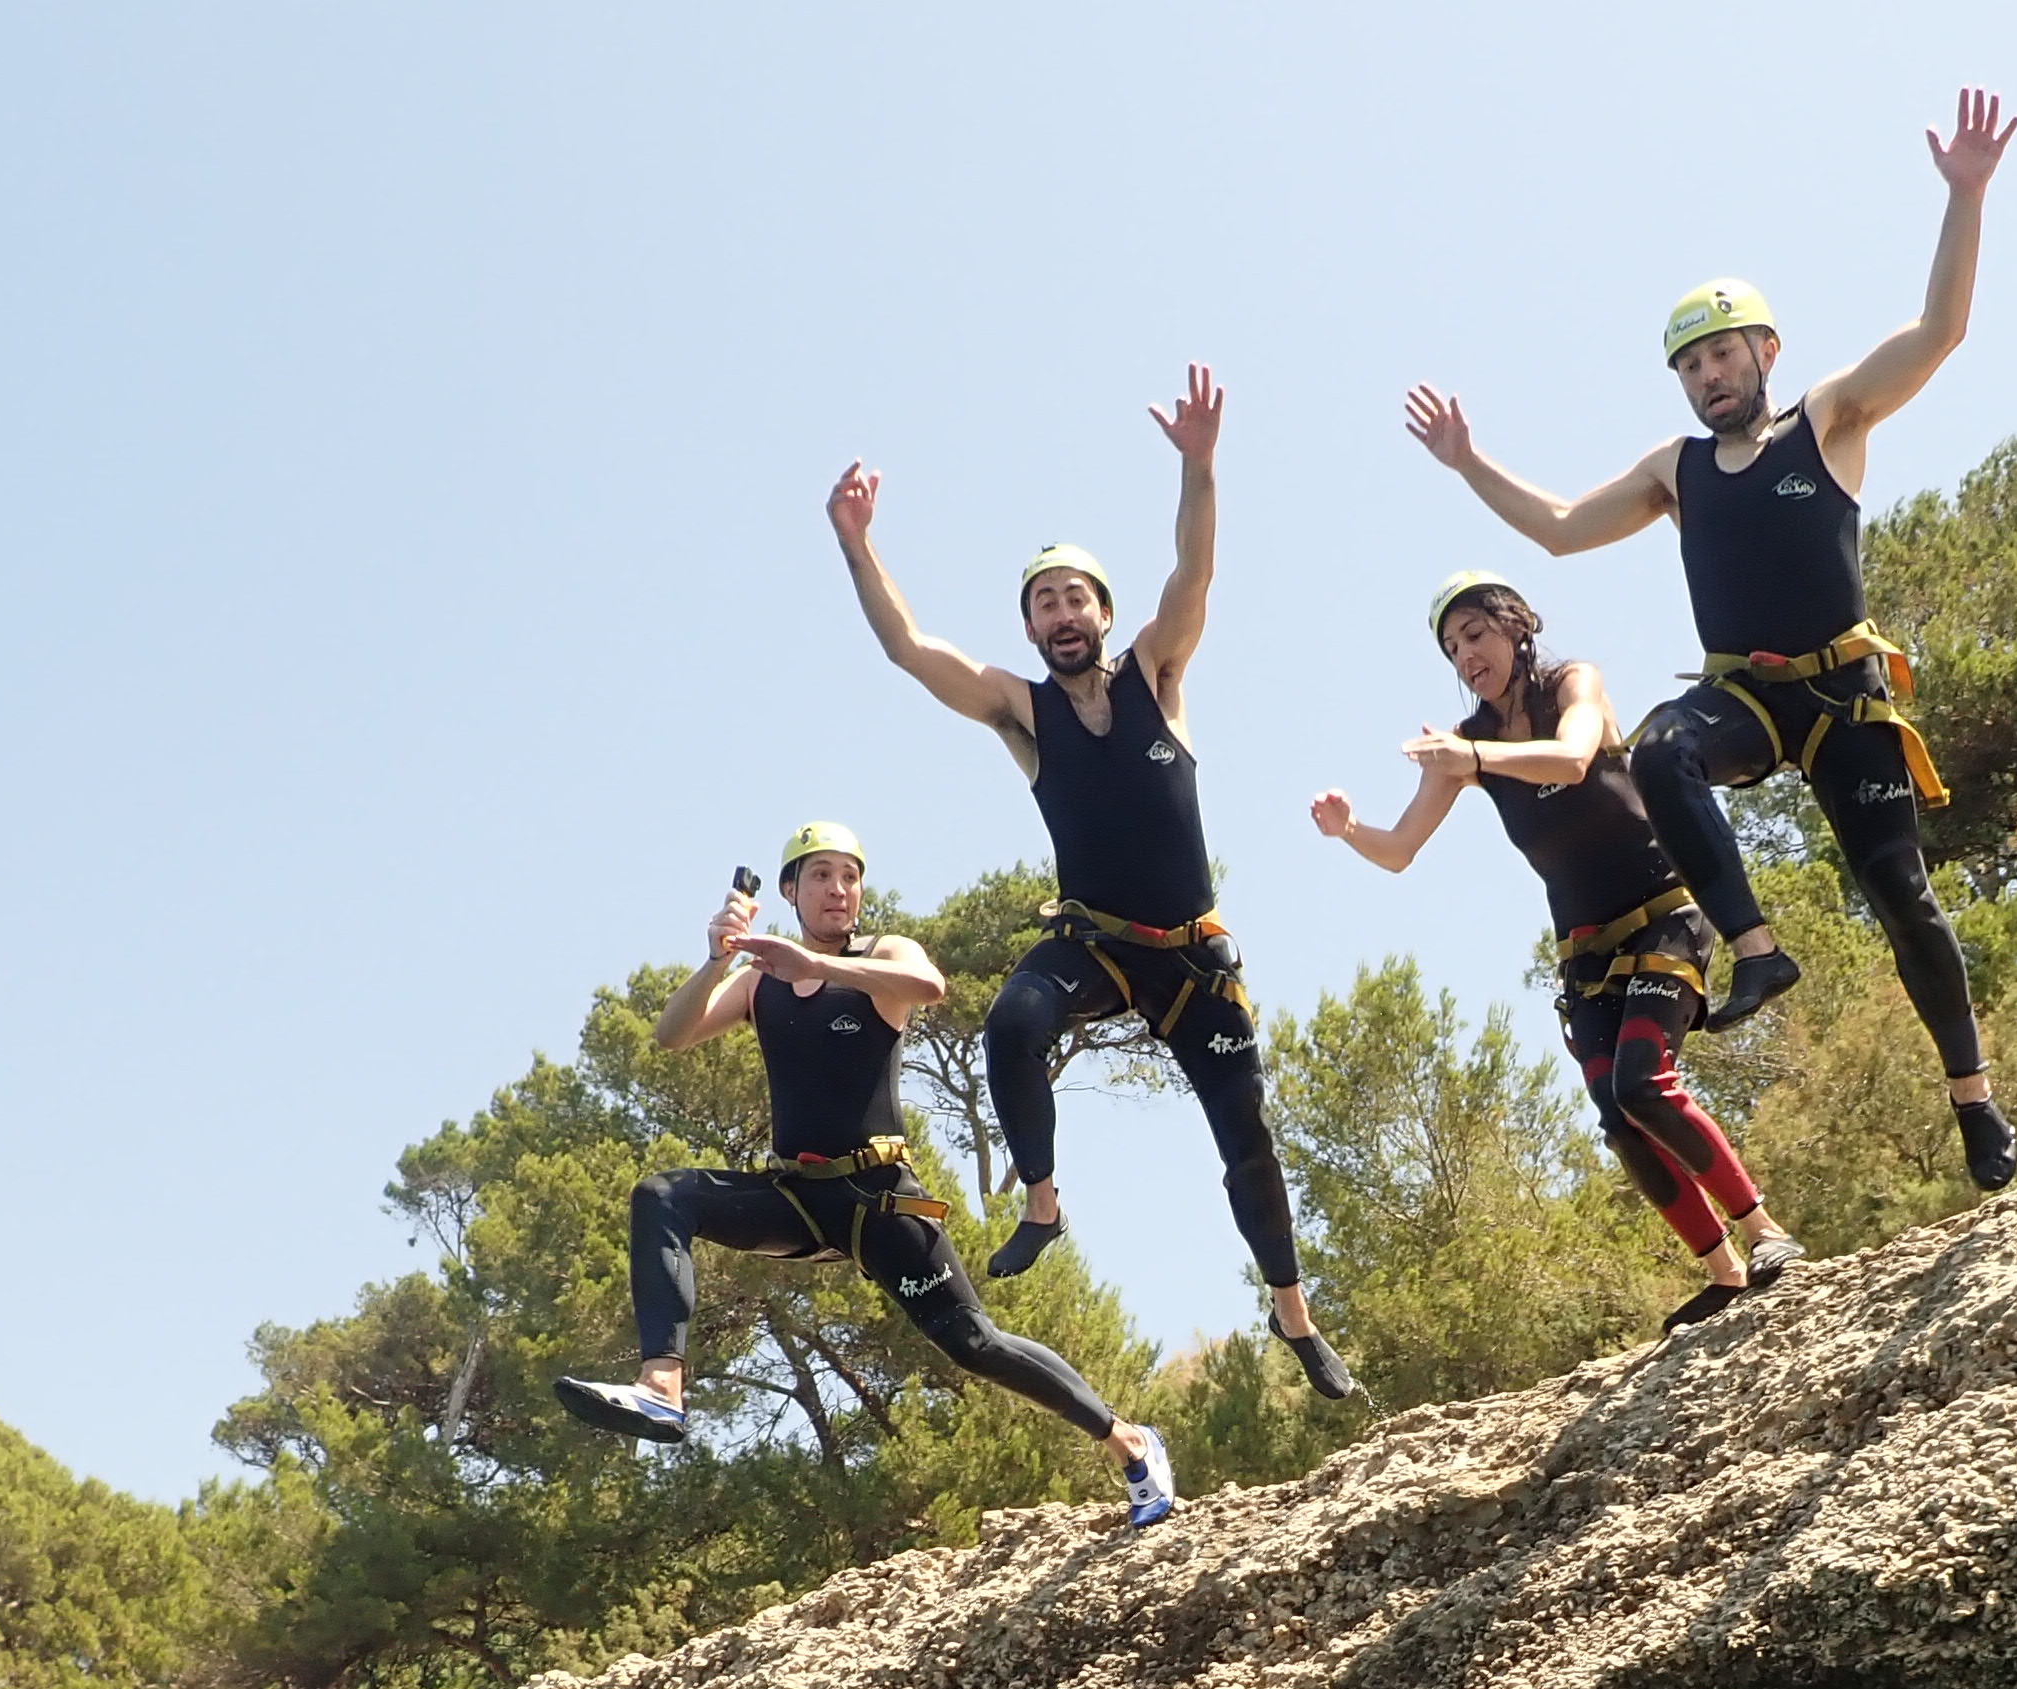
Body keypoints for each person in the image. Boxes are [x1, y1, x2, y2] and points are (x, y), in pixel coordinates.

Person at [1403, 87, 2017, 1195]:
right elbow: (1554, 528)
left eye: (1721, 356)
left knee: (1903, 899)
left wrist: (1964, 198)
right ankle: (1754, 951)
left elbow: (1940, 333)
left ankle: (1972, 1099)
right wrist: (1468, 462)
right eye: (1689, 367)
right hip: (1743, 695)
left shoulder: (1828, 419)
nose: (1706, 378)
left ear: (1764, 351)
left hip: (1842, 699)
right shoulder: (1671, 472)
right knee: (1654, 750)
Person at [827, 367, 1359, 1400]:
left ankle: (1293, 1313)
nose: (1060, 613)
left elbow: (1192, 576)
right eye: (1041, 603)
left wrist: (1199, 469)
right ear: (1028, 630)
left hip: (1192, 958)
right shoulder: (1021, 711)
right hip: (1093, 943)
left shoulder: (1159, 673)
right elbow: (907, 649)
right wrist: (859, 545)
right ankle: (1041, 1200)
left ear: (1104, 612)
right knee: (1011, 1025)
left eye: (1074, 596)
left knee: (1245, 1136)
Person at [553, 822, 1180, 1530]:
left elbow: (929, 985)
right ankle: (663, 1384)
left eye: (849, 877)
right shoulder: (759, 983)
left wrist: (818, 968)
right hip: (796, 1198)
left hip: (881, 1202)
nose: (839, 890)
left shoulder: (880, 955)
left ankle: (1128, 1440)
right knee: (663, 1194)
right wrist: (713, 961)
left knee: (975, 1343)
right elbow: (672, 1034)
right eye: (821, 875)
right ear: (789, 889)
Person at [1311, 574, 1803, 1329]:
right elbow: (1403, 848)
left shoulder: (1573, 682)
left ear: (1515, 627)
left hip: (1663, 916)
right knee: (1615, 1114)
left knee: (1644, 1082)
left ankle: (1766, 1234)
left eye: (1476, 635)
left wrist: (1472, 764)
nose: (1466, 656)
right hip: (1585, 953)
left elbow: (1573, 758)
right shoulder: (1467, 741)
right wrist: (1349, 832)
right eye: (1452, 648)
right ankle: (1725, 1274)